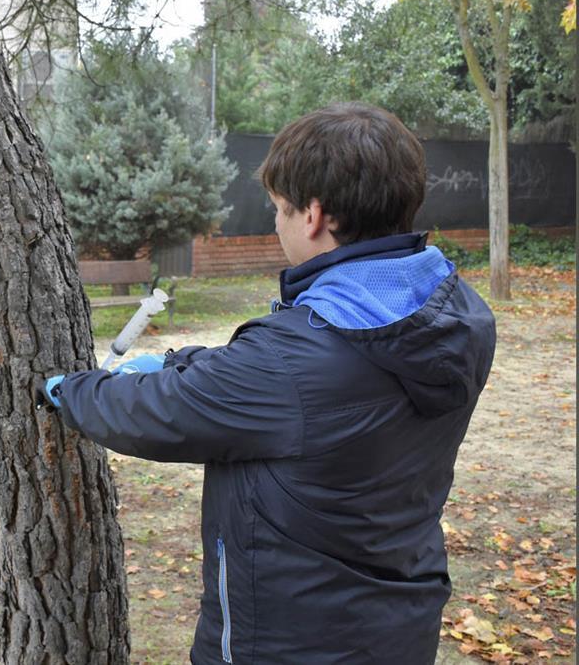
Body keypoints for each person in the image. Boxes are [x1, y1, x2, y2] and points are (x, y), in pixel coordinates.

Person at [42, 103, 496, 664]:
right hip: (398, 624)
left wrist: (75, 392)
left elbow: (163, 411)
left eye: (280, 209)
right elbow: (303, 387)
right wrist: (179, 359)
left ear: (314, 216)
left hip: (285, 642)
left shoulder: (297, 357)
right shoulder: (448, 315)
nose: (276, 223)